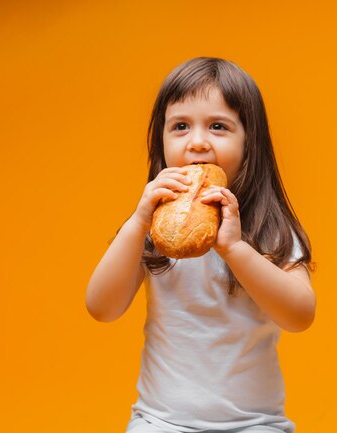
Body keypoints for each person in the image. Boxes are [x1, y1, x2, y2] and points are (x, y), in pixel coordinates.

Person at [86, 57, 316, 433]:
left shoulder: (269, 230)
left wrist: (235, 250)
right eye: (180, 126)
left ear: (250, 143)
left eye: (218, 126)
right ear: (160, 143)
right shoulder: (150, 229)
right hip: (160, 421)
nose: (197, 142)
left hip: (254, 423)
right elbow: (102, 307)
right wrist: (137, 222)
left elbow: (300, 315)